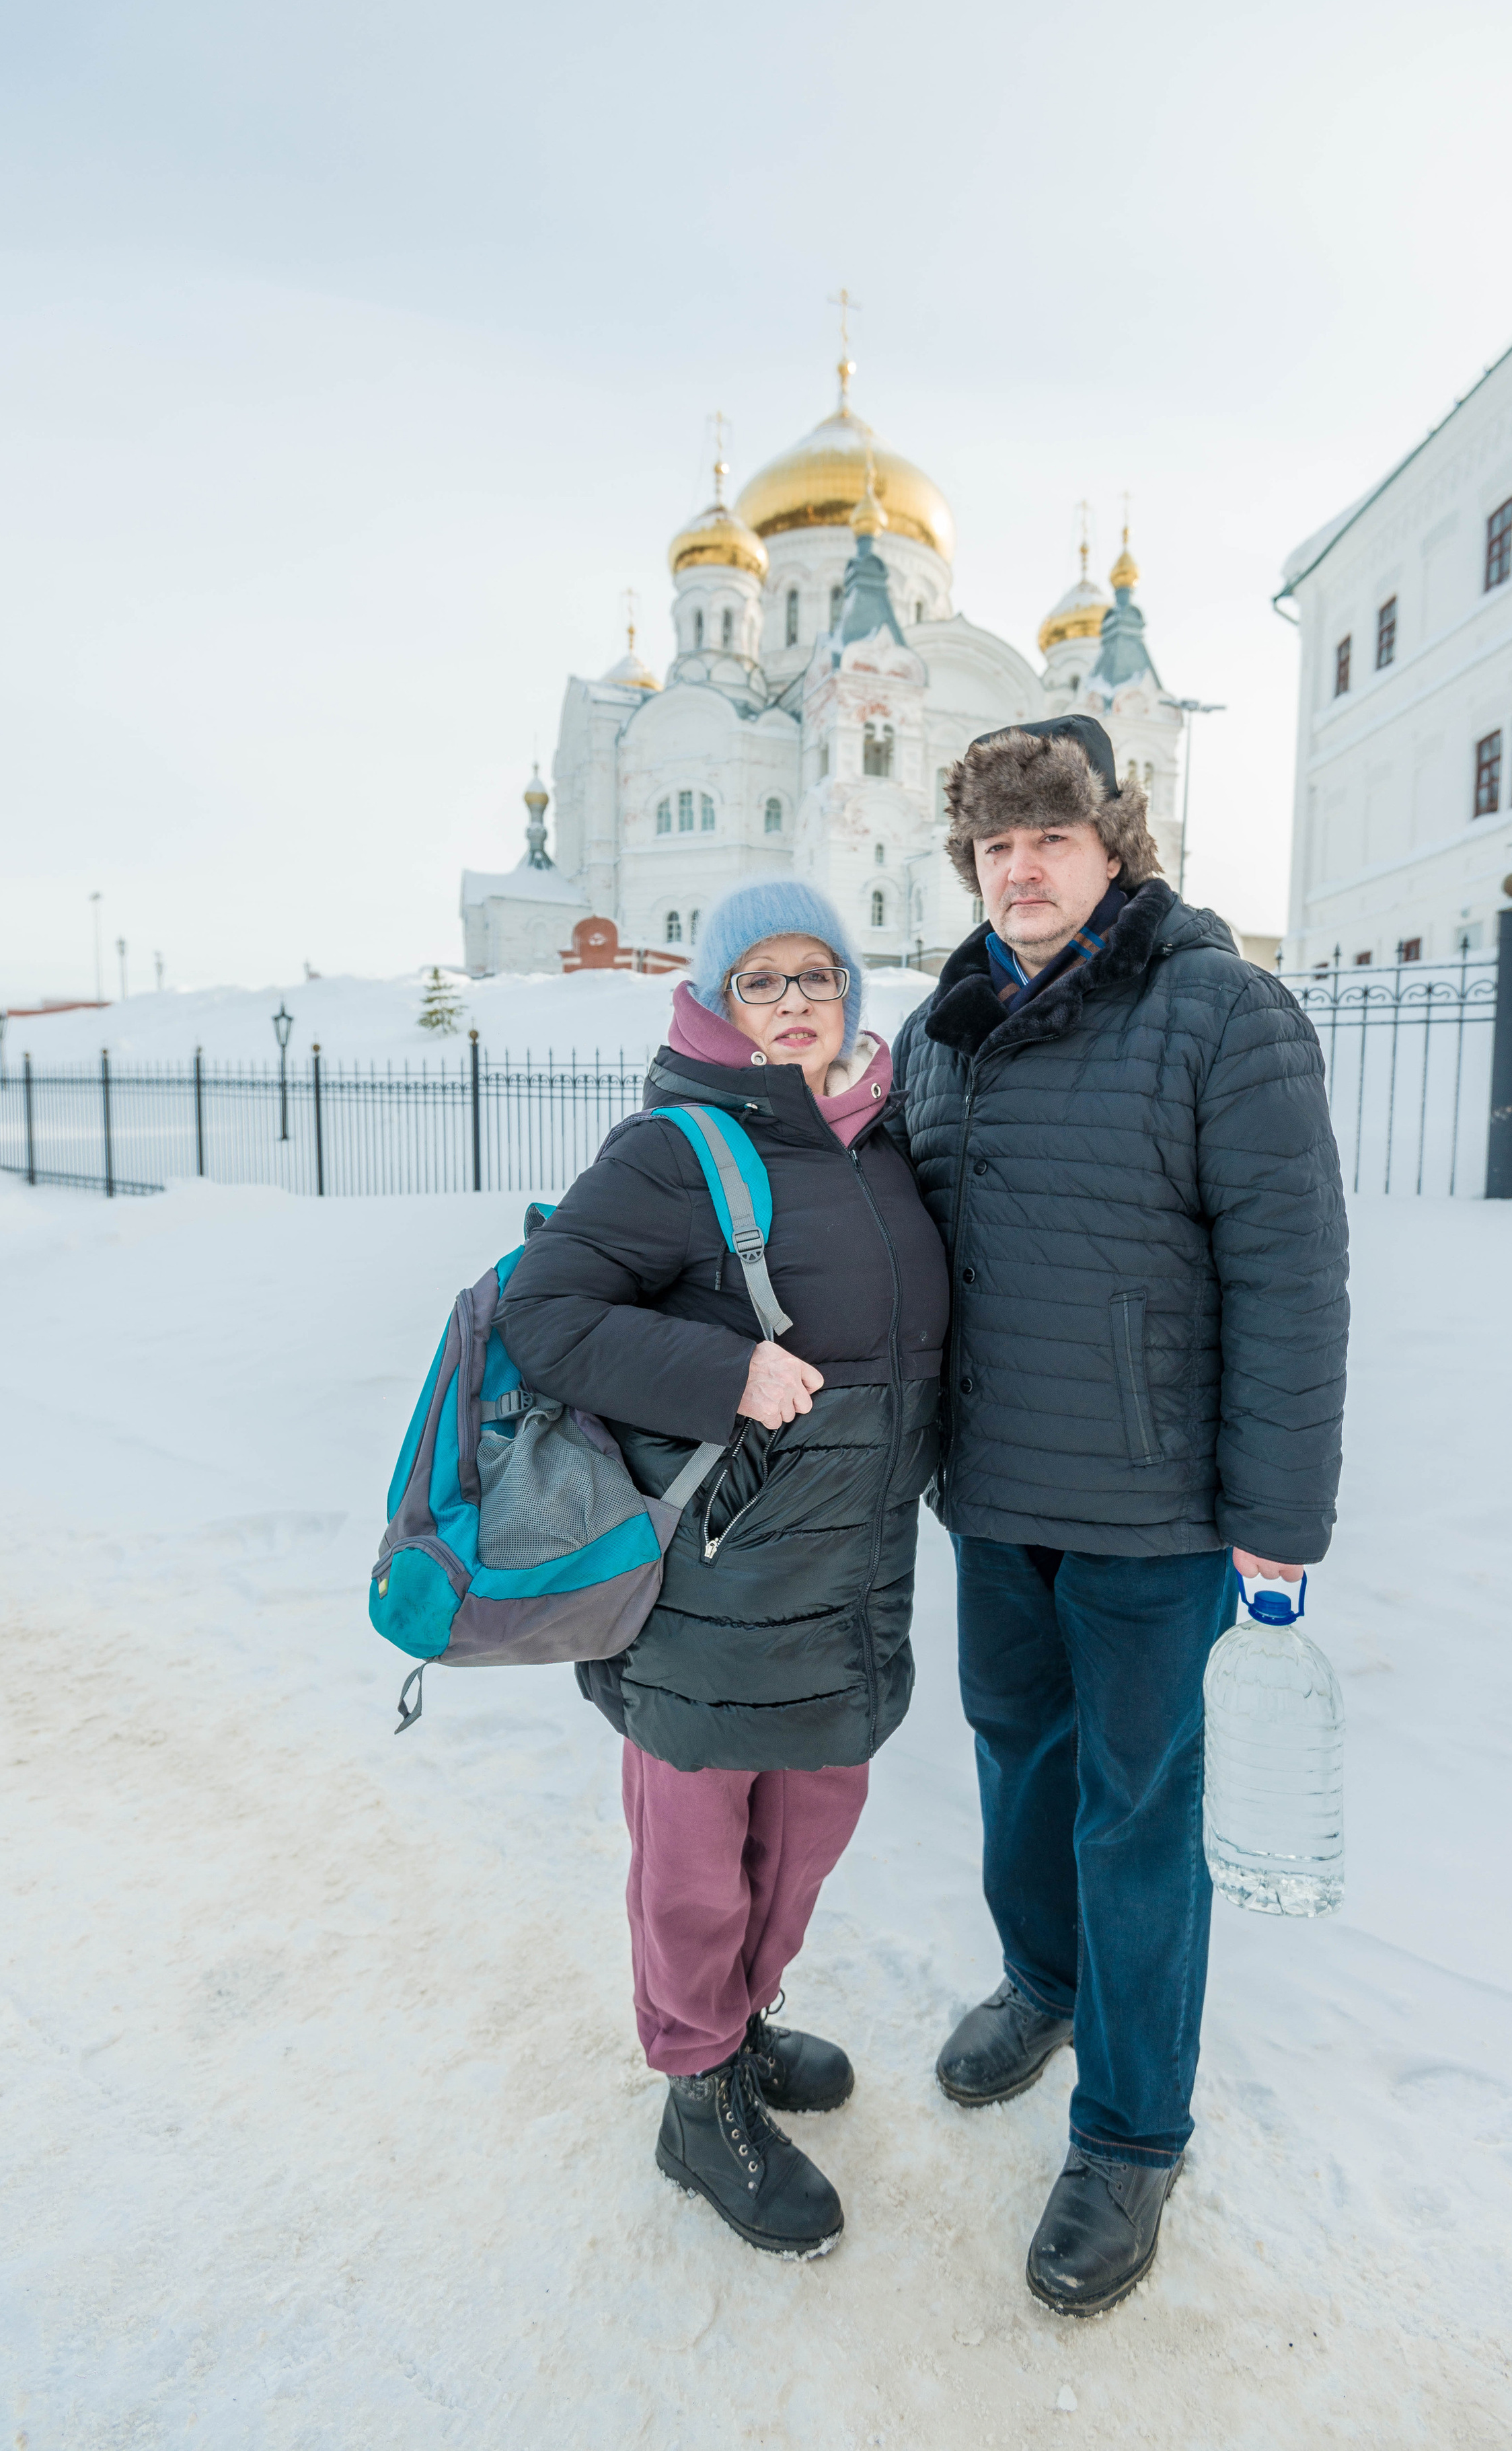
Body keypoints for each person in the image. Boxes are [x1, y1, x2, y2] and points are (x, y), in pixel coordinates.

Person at [892, 716, 1349, 2316]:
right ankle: (1043, 1983)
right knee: (1015, 1757)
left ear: (1113, 850)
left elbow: (1289, 1280)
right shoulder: (940, 1028)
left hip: (1156, 1517)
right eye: (992, 846)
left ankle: (1133, 2130)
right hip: (993, 1494)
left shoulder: (1219, 1013)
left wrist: (1276, 1520)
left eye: (1049, 840)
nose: (1018, 868)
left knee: (1137, 1812)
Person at [498, 881, 950, 2259]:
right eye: (762, 979)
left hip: (848, 1580)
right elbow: (543, 1312)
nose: (797, 999)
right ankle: (697, 2092)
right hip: (707, 1585)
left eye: (818, 975)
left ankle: (741, 2026)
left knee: (803, 1835)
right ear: (715, 1000)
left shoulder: (876, 1145)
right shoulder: (671, 1150)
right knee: (696, 1859)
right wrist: (722, 1370)